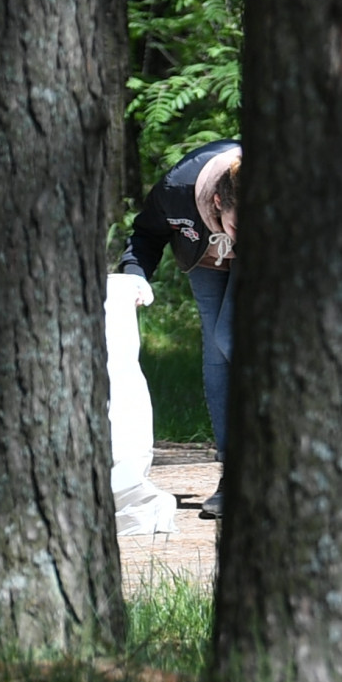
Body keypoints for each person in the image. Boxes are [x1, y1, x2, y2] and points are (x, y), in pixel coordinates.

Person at [123, 135, 241, 514]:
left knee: (230, 336)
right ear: (218, 202)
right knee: (215, 348)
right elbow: (146, 234)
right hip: (204, 256)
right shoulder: (177, 188)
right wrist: (135, 276)